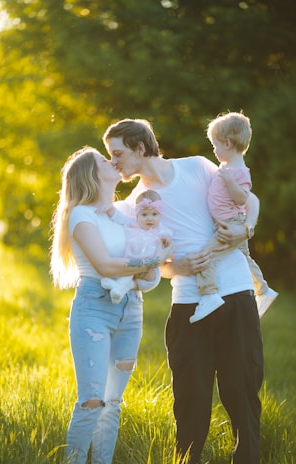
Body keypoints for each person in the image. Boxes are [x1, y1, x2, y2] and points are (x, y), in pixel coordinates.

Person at [103, 118, 264, 464]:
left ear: (140, 148)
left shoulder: (197, 167)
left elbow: (248, 200)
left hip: (234, 291)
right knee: (190, 397)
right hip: (188, 302)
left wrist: (247, 229)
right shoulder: (137, 202)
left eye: (117, 154)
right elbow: (149, 262)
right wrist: (176, 267)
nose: (113, 162)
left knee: (241, 388)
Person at [50, 146, 172, 464]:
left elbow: (147, 269)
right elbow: (104, 266)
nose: (112, 161)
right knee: (92, 400)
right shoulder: (80, 214)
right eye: (104, 160)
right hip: (94, 307)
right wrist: (151, 260)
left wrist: (150, 266)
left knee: (112, 400)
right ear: (91, 174)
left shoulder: (123, 215)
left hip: (131, 308)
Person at [189, 111, 278, 323]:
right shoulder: (228, 167)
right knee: (245, 258)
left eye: (215, 145)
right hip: (232, 221)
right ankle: (263, 289)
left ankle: (209, 294)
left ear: (227, 143)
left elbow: (242, 198)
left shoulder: (239, 171)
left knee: (206, 257)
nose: (214, 150)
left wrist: (229, 181)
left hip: (230, 224)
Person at [98, 189, 173, 304]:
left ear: (160, 215)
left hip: (150, 270)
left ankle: (119, 287)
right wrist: (110, 209)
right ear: (137, 215)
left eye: (154, 214)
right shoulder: (133, 224)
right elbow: (120, 218)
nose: (149, 218)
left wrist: (166, 239)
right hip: (132, 263)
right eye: (144, 215)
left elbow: (167, 238)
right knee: (127, 271)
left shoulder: (161, 230)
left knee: (143, 275)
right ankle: (119, 288)